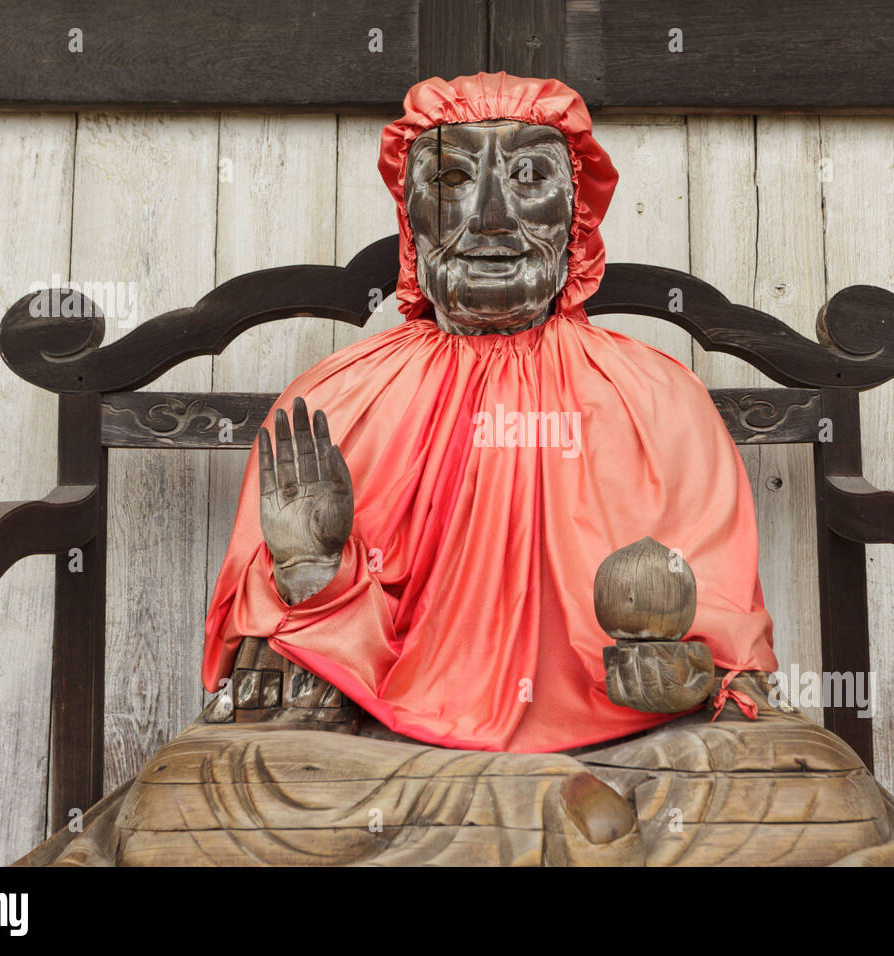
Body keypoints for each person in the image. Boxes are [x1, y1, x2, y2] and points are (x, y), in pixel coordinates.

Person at [201, 71, 776, 753]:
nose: (491, 214)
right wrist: (312, 574)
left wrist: (677, 664)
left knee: (771, 779)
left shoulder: (659, 400)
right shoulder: (335, 404)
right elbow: (275, 673)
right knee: (247, 784)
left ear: (578, 212)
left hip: (619, 741)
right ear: (408, 215)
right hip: (389, 738)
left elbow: (721, 629)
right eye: (448, 181)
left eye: (531, 174)